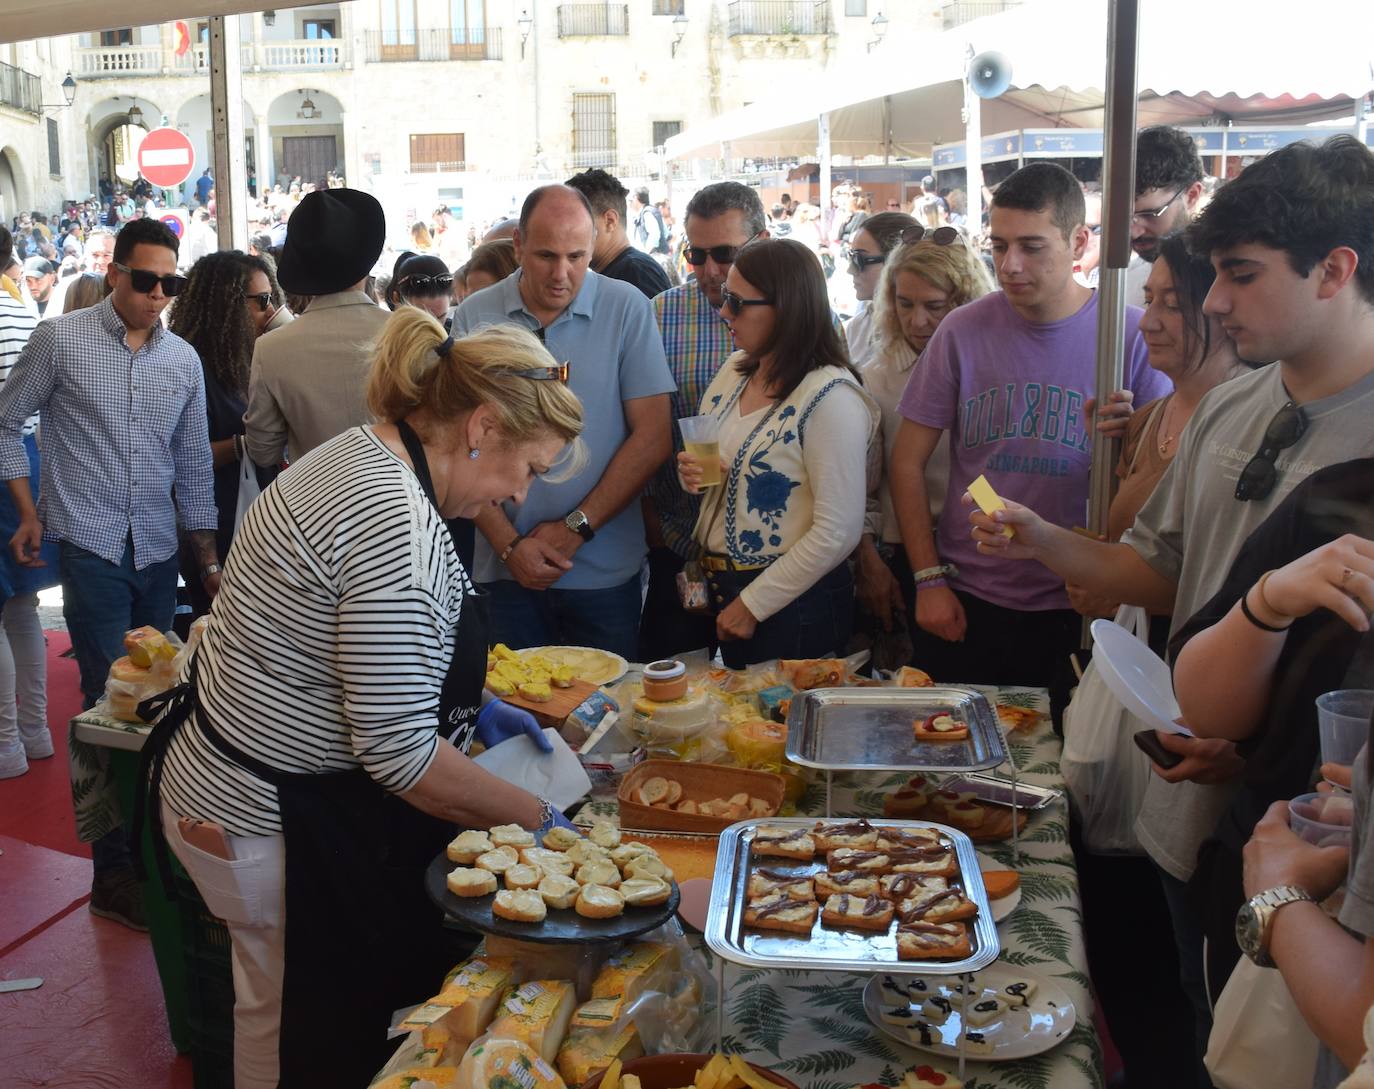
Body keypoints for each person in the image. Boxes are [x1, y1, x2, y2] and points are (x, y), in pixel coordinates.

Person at [967, 136, 1374, 1085]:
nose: (1216, 302)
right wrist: (1039, 536)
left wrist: (1259, 748)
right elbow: (1154, 570)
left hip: (1321, 837)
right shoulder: (1234, 408)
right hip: (1193, 793)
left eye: (1239, 274)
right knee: (1197, 1020)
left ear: (1336, 269)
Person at [149, 311, 583, 1089]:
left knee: (274, 1006)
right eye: (530, 466)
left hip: (238, 783)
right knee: (285, 1025)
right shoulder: (394, 520)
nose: (521, 492)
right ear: (481, 426)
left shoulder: (360, 449)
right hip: (261, 811)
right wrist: (536, 819)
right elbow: (401, 754)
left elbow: (352, 647)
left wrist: (476, 706)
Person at [0, 216, 218, 927]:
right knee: (102, 702)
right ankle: (113, 871)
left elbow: (191, 465)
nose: (159, 294)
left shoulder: (182, 359)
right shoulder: (59, 340)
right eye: (147, 280)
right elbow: (7, 421)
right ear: (116, 271)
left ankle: (155, 852)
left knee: (161, 700)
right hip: (90, 547)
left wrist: (208, 558)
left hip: (157, 551)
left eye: (171, 283)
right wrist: (29, 511)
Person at [890, 160, 1169, 695]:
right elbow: (907, 459)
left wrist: (1131, 437)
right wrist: (927, 579)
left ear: (1078, 241)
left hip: (1080, 599)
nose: (1010, 264)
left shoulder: (1129, 333)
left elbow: (1157, 481)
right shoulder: (963, 329)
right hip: (970, 593)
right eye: (998, 246)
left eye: (1032, 246)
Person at [1171, 521, 1374, 1087]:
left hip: (1307, 950)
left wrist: (1277, 898)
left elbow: (1365, 1030)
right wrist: (1267, 601)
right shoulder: (1340, 498)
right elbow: (1206, 708)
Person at [454, 185, 673, 658]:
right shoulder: (475, 314)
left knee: (606, 715)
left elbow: (653, 437)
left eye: (577, 256)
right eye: (545, 256)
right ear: (517, 247)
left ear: (595, 245)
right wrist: (511, 546)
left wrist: (574, 527)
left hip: (603, 573)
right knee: (513, 717)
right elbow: (457, 444)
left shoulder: (627, 308)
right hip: (503, 570)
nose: (562, 274)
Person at [677, 238, 877, 667]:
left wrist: (753, 604)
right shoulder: (735, 370)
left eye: (737, 302)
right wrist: (694, 473)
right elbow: (716, 467)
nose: (724, 311)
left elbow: (838, 530)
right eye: (725, 298)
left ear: (785, 308)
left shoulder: (830, 397)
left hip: (792, 601)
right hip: (724, 588)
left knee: (781, 725)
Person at [853, 227, 993, 666]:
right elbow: (862, 482)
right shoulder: (876, 377)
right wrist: (868, 557)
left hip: (977, 548)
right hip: (898, 552)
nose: (917, 321)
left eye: (935, 307)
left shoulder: (991, 367)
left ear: (966, 301)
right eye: (904, 303)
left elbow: (984, 468)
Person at [641, 182, 767, 662]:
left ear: (762, 241)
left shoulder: (799, 314)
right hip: (683, 547)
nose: (711, 270)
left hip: (769, 558)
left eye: (726, 253)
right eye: (697, 254)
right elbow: (643, 429)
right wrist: (654, 528)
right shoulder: (661, 315)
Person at [243, 189, 389, 468]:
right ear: (367, 259)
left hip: (311, 507)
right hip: (403, 503)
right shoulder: (415, 335)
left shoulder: (271, 348)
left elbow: (263, 452)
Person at [169, 251, 277, 617]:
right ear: (227, 305)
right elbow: (181, 458)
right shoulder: (189, 365)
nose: (270, 309)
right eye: (262, 300)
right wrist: (247, 444)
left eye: (272, 297)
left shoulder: (252, 359)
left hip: (257, 525)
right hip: (216, 532)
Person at [0, 226, 58, 780]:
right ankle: (33, 733)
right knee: (21, 608)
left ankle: (5, 744)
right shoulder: (22, 311)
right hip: (31, 463)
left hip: (3, 467)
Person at [1127, 125, 1206, 304]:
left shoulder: (1218, 280)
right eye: (1124, 218)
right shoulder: (1123, 281)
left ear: (1191, 196)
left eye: (1150, 214)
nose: (1134, 232)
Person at [565, 168, 671, 299]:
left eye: (574, 223)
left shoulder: (636, 273)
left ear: (610, 221)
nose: (565, 232)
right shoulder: (621, 271)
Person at [843, 211, 918, 371]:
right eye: (850, 257)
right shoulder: (856, 327)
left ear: (897, 261)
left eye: (859, 260)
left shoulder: (921, 329)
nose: (850, 270)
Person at [388, 251, 455, 325]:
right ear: (396, 299)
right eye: (421, 321)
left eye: (440, 318)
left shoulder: (459, 332)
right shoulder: (378, 332)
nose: (433, 329)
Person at [631, 187, 668, 255]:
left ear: (636, 198)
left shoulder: (647, 213)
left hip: (653, 257)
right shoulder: (652, 210)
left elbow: (654, 234)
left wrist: (647, 253)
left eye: (632, 198)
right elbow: (665, 233)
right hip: (659, 254)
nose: (631, 201)